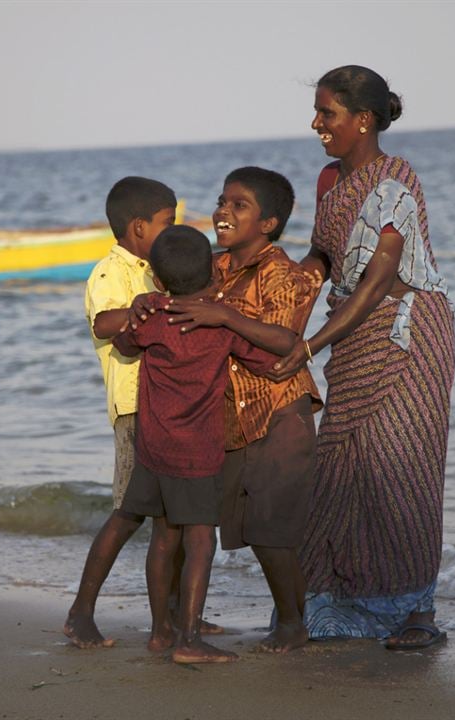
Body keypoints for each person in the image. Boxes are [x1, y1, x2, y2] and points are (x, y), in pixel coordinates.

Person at [269, 65, 455, 650]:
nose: (317, 123)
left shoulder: (396, 178)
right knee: (344, 471)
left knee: (401, 470)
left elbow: (378, 280)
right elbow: (323, 257)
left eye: (328, 113)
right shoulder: (330, 181)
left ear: (363, 119)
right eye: (319, 112)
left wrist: (309, 345)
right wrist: (277, 287)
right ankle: (340, 600)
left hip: (405, 333)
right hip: (352, 336)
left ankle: (416, 611)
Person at [160, 167, 321, 653]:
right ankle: (279, 619)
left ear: (268, 223)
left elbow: (284, 341)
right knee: (248, 526)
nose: (223, 211)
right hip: (230, 420)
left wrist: (225, 314)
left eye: (238, 205)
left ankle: (293, 625)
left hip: (280, 411)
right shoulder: (215, 267)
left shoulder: (281, 274)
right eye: (221, 201)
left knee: (273, 529)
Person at [114, 224, 284, 663]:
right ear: (213, 271)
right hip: (197, 452)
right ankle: (189, 640)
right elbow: (268, 360)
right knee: (201, 542)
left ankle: (159, 633)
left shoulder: (152, 317)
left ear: (157, 278)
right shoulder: (218, 324)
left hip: (154, 449)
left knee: (163, 539)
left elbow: (123, 342)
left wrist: (143, 307)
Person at [62, 176, 175, 649]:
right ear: (138, 227)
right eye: (168, 224)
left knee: (175, 520)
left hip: (171, 408)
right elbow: (106, 321)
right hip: (134, 410)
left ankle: (172, 618)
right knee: (128, 514)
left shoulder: (157, 268)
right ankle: (80, 613)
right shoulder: (110, 272)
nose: (173, 232)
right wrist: (148, 307)